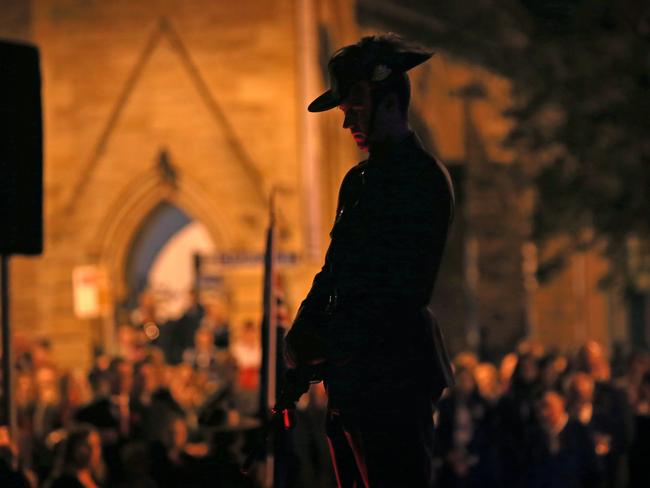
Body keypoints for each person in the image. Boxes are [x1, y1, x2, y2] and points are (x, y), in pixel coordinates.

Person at [282, 34, 455, 487]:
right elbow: (336, 267)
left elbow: (403, 290)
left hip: (393, 375)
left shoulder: (422, 179)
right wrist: (304, 330)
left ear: (390, 104)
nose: (347, 124)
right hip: (353, 377)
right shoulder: (357, 181)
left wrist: (332, 339)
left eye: (355, 110)